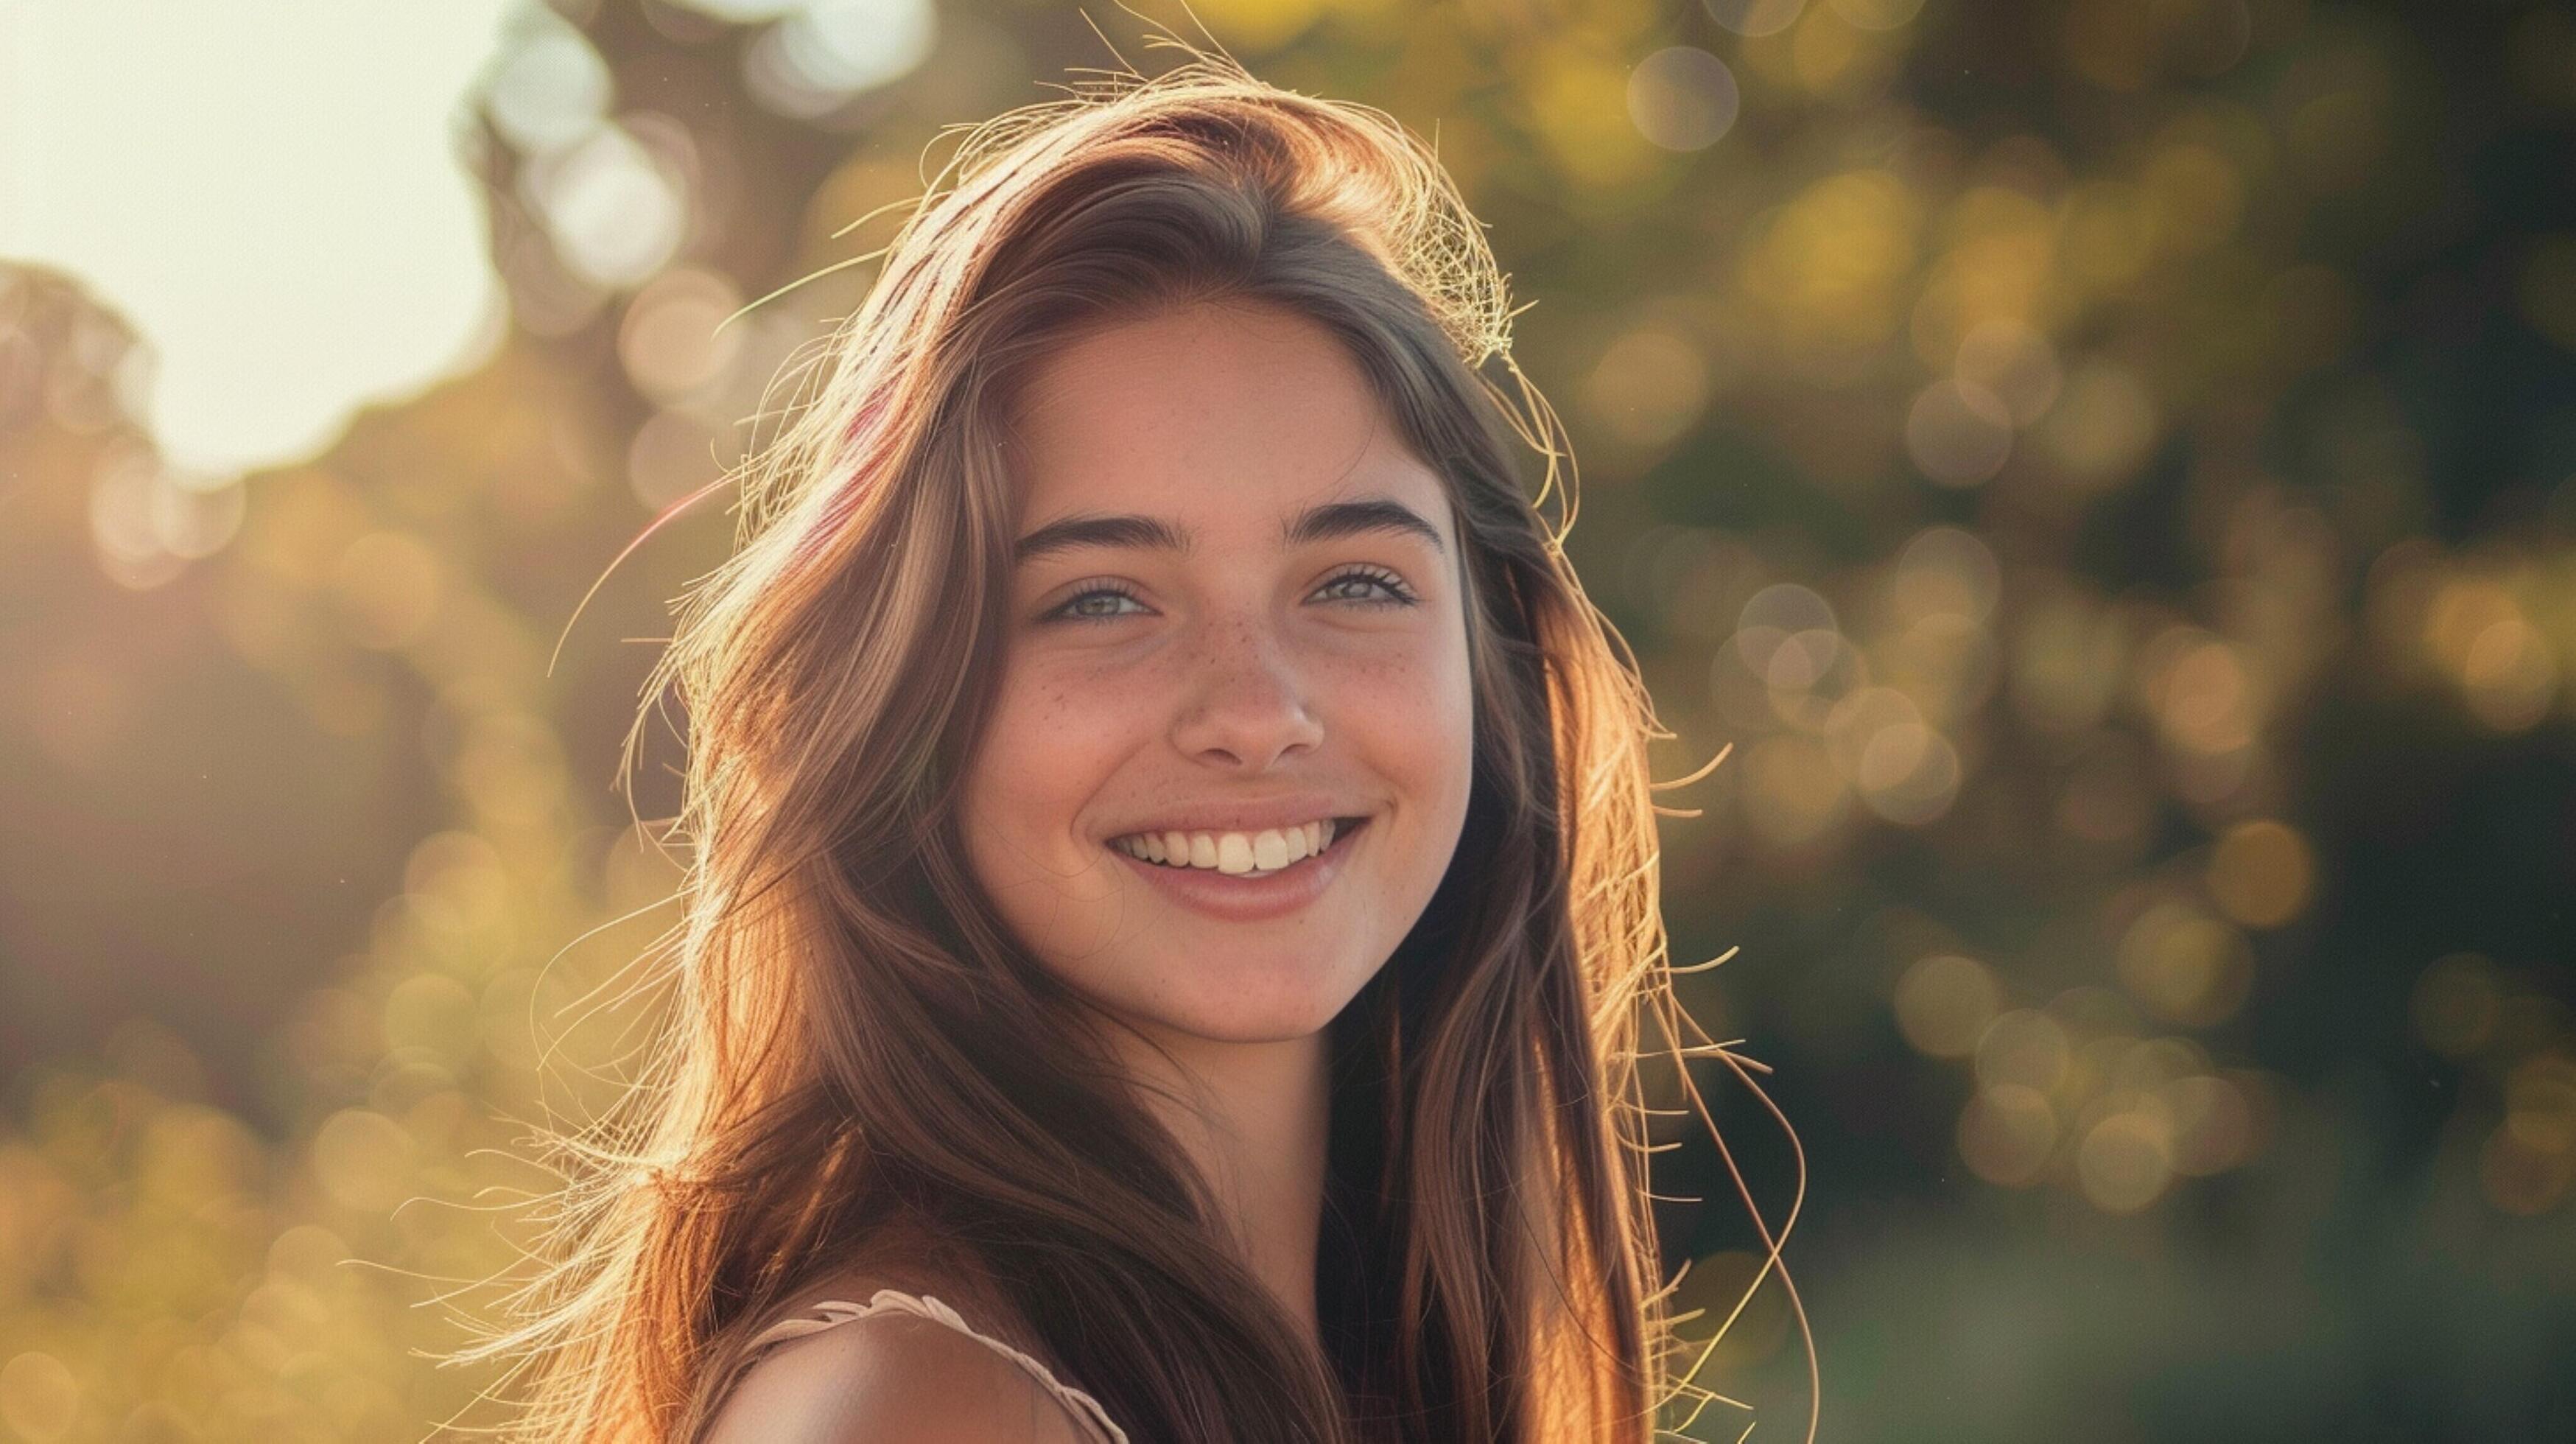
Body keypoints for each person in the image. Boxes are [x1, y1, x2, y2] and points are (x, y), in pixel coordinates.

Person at [466, 41, 1756, 1444]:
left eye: (1355, 582)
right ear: (910, 702)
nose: (1258, 712)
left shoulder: (1361, 1363)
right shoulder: (920, 1412)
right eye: (1100, 599)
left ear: (1489, 662)